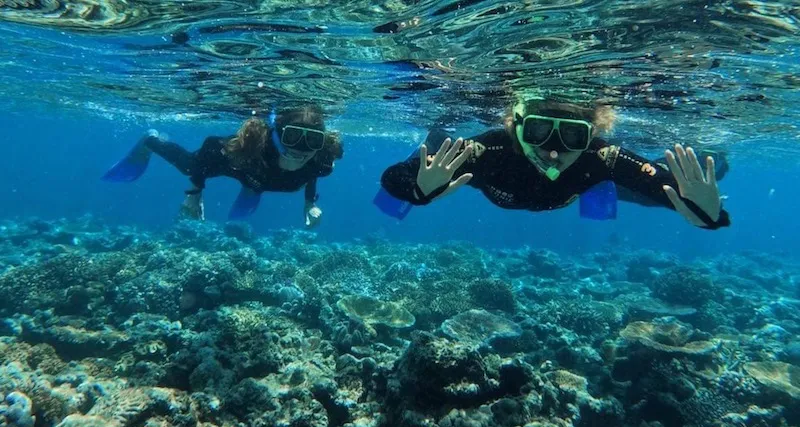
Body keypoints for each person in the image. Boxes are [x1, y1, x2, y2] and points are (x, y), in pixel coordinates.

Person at [379, 97, 730, 230]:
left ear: (592, 135)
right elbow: (394, 178)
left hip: (586, 185)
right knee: (439, 161)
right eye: (538, 131)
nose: (552, 152)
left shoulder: (600, 157)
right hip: (563, 187)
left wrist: (707, 213)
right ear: (515, 128)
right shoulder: (490, 151)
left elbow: (663, 189)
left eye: (574, 137)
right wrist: (418, 190)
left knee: (635, 191)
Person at [102, 104, 343, 227]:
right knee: (189, 166)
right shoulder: (249, 147)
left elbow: (312, 173)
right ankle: (150, 140)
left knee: (259, 181)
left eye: (312, 140)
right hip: (243, 166)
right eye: (293, 138)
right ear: (278, 135)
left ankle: (253, 187)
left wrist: (310, 203)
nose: (301, 149)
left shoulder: (321, 160)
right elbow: (209, 148)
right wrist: (195, 192)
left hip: (263, 176)